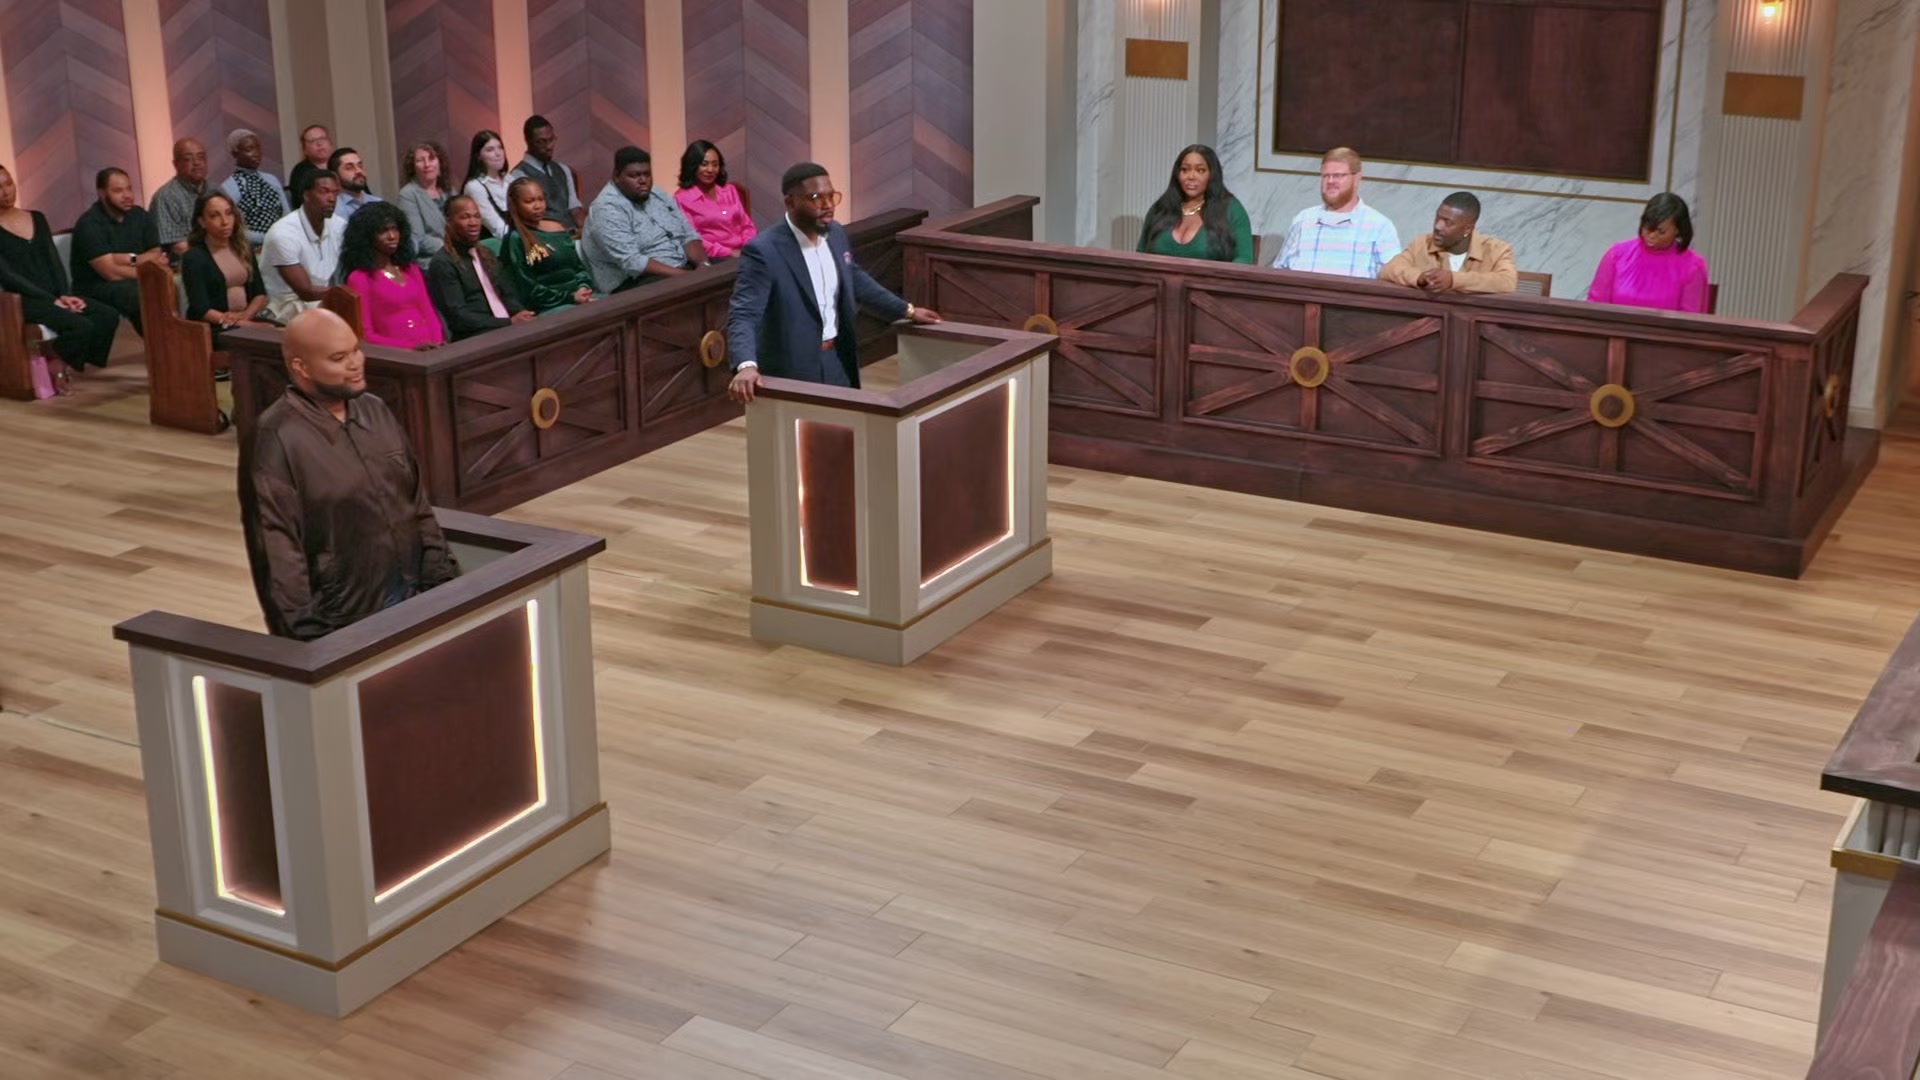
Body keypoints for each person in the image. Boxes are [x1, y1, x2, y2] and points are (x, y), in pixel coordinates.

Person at [240, 307, 460, 641]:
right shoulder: (275, 439)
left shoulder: (375, 410)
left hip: (416, 597)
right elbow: (277, 553)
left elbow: (416, 503)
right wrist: (309, 643)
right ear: (301, 367)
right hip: (344, 620)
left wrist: (443, 582)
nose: (356, 363)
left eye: (356, 350)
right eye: (339, 358)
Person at [726, 162, 941, 402]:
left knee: (845, 424)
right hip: (792, 369)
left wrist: (906, 310)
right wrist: (745, 365)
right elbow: (743, 313)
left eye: (831, 196)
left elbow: (854, 278)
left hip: (837, 359)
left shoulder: (836, 233)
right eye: (816, 198)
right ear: (790, 202)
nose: (828, 205)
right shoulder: (764, 251)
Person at [0, 163, 119, 388]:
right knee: (81, 326)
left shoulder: (37, 217)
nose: (6, 192)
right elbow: (8, 276)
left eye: (8, 184)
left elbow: (54, 261)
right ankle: (58, 365)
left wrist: (64, 294)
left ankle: (61, 359)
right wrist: (51, 300)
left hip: (55, 294)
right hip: (23, 300)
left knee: (107, 315)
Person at [580, 146, 708, 293]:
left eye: (647, 174)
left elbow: (687, 234)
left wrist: (703, 265)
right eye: (634, 176)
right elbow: (632, 262)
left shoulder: (657, 193)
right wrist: (688, 277)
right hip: (634, 283)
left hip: (681, 269)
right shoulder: (606, 208)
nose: (643, 181)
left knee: (727, 270)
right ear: (616, 176)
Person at [1272, 147, 1400, 279]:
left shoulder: (1380, 227)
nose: (1330, 181)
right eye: (1325, 176)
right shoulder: (1303, 220)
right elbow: (1279, 273)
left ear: (1357, 178)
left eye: (1338, 175)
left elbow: (1392, 279)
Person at [69, 168, 164, 335]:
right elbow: (110, 272)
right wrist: (149, 271)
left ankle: (181, 339)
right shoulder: (89, 224)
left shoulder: (139, 215)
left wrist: (129, 258)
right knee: (140, 291)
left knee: (175, 283)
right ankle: (160, 344)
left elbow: (157, 253)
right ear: (102, 193)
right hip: (94, 286)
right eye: (118, 191)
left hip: (129, 278)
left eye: (129, 189)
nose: (127, 195)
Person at [428, 194, 536, 339]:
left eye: (477, 216)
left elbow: (508, 294)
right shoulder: (443, 263)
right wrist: (507, 322)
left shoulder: (486, 254)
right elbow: (459, 317)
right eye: (465, 217)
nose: (473, 222)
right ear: (449, 221)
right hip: (476, 336)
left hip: (507, 326)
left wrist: (520, 314)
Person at [339, 202, 445, 350]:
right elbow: (366, 335)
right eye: (383, 231)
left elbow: (428, 312)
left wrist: (438, 343)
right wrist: (411, 347)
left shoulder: (411, 269)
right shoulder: (360, 278)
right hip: (396, 356)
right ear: (367, 237)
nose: (392, 236)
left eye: (394, 229)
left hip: (432, 351)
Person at [1587, 193, 1711, 314]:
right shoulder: (1616, 255)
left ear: (1678, 230)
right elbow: (1595, 306)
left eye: (1661, 232)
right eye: (1648, 228)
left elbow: (1690, 320)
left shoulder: (1693, 267)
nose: (1651, 235)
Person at [1135, 144, 1254, 264]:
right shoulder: (1160, 208)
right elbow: (1141, 253)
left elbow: (1244, 259)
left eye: (1200, 170)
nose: (1191, 176)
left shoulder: (1231, 209)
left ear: (1212, 175)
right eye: (1185, 170)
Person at [1379, 191, 1516, 294]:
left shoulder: (1496, 250)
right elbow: (1389, 269)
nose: (1438, 226)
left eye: (1448, 223)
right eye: (1437, 218)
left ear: (1468, 229)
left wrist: (1453, 280)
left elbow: (1507, 281)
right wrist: (1419, 278)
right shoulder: (1422, 244)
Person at [499, 177, 597, 313]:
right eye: (529, 201)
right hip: (550, 304)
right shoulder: (515, 239)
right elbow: (527, 288)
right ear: (515, 205)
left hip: (579, 294)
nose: (538, 206)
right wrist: (570, 297)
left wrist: (583, 287)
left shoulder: (557, 226)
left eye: (541, 199)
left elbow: (577, 268)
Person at [260, 170, 346, 323]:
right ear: (306, 195)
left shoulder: (339, 225)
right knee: (343, 313)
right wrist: (349, 295)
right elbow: (305, 292)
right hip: (285, 306)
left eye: (335, 193)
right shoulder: (282, 234)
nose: (332, 199)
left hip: (324, 299)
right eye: (324, 192)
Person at [180, 191, 270, 332]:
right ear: (202, 222)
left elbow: (260, 293)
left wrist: (245, 317)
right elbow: (201, 310)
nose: (225, 221)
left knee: (289, 333)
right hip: (215, 327)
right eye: (215, 216)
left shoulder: (243, 248)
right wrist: (240, 324)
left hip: (246, 319)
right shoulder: (193, 257)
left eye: (229, 213)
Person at [674, 140, 756, 259]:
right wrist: (730, 253)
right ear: (692, 166)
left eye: (715, 164)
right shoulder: (682, 198)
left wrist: (748, 247)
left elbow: (747, 225)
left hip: (744, 252)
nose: (710, 170)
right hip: (714, 257)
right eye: (704, 164)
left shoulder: (729, 190)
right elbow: (693, 240)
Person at [511, 115, 585, 229]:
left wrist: (586, 231)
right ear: (528, 141)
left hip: (573, 233)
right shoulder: (518, 175)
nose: (549, 146)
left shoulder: (563, 169)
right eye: (542, 142)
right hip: (545, 235)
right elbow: (526, 220)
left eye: (551, 140)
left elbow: (575, 208)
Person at [220, 128, 289, 246]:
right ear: (235, 153)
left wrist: (285, 235)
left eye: (258, 148)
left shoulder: (271, 180)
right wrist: (267, 238)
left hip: (282, 242)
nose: (256, 153)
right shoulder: (229, 187)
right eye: (249, 149)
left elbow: (286, 214)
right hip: (249, 248)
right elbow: (234, 228)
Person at [151, 138, 210, 258]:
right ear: (176, 164)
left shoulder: (216, 189)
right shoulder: (166, 197)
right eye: (188, 159)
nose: (196, 163)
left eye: (200, 157)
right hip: (185, 264)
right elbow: (178, 247)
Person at [397, 141, 451, 258]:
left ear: (440, 163)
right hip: (431, 260)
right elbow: (418, 239)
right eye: (420, 160)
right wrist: (451, 248)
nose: (427, 164)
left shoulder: (448, 191)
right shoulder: (408, 194)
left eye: (431, 159)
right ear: (412, 167)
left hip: (455, 256)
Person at [462, 129, 514, 237]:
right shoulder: (474, 187)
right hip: (495, 242)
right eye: (490, 150)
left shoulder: (510, 179)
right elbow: (496, 227)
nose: (498, 153)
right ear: (479, 156)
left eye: (500, 148)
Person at [286, 124, 333, 207]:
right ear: (305, 150)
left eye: (322, 138)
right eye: (312, 141)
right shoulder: (300, 172)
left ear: (330, 144)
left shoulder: (340, 165)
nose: (319, 143)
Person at [329, 147, 381, 220]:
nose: (359, 171)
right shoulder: (332, 208)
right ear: (335, 176)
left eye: (360, 166)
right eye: (349, 167)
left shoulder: (378, 202)